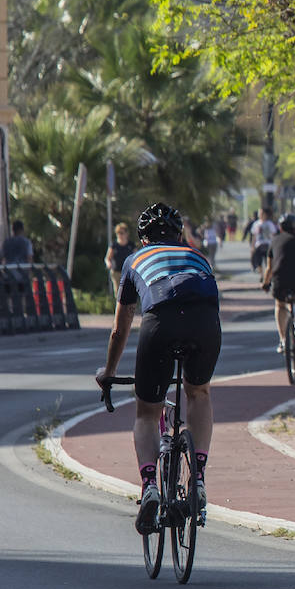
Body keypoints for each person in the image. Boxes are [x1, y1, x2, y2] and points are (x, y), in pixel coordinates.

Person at [95, 202, 219, 534]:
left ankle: (150, 485)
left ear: (143, 238)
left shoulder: (134, 260)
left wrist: (108, 371)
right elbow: (213, 305)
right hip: (205, 322)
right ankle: (199, 479)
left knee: (146, 413)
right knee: (199, 393)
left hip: (161, 322)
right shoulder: (199, 257)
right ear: (179, 235)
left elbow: (120, 329)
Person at [261, 214, 295, 355]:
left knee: (280, 306)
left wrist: (265, 283)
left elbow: (269, 268)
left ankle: (283, 340)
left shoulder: (275, 241)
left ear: (281, 227)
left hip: (280, 281)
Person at [105, 222, 135, 300]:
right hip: (116, 272)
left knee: (129, 291)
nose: (120, 235)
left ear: (126, 233)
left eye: (121, 233)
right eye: (118, 233)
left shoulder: (131, 245)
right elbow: (107, 258)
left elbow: (136, 257)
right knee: (118, 292)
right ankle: (119, 309)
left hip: (128, 272)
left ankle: (130, 308)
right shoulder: (114, 245)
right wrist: (108, 264)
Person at [249, 208, 278, 273]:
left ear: (265, 214)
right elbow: (254, 236)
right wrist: (252, 246)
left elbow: (274, 234)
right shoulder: (256, 224)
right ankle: (262, 275)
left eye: (261, 213)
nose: (260, 214)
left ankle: (267, 275)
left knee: (268, 262)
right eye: (259, 213)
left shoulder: (269, 223)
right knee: (258, 262)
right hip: (259, 245)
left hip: (268, 245)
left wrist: (274, 245)